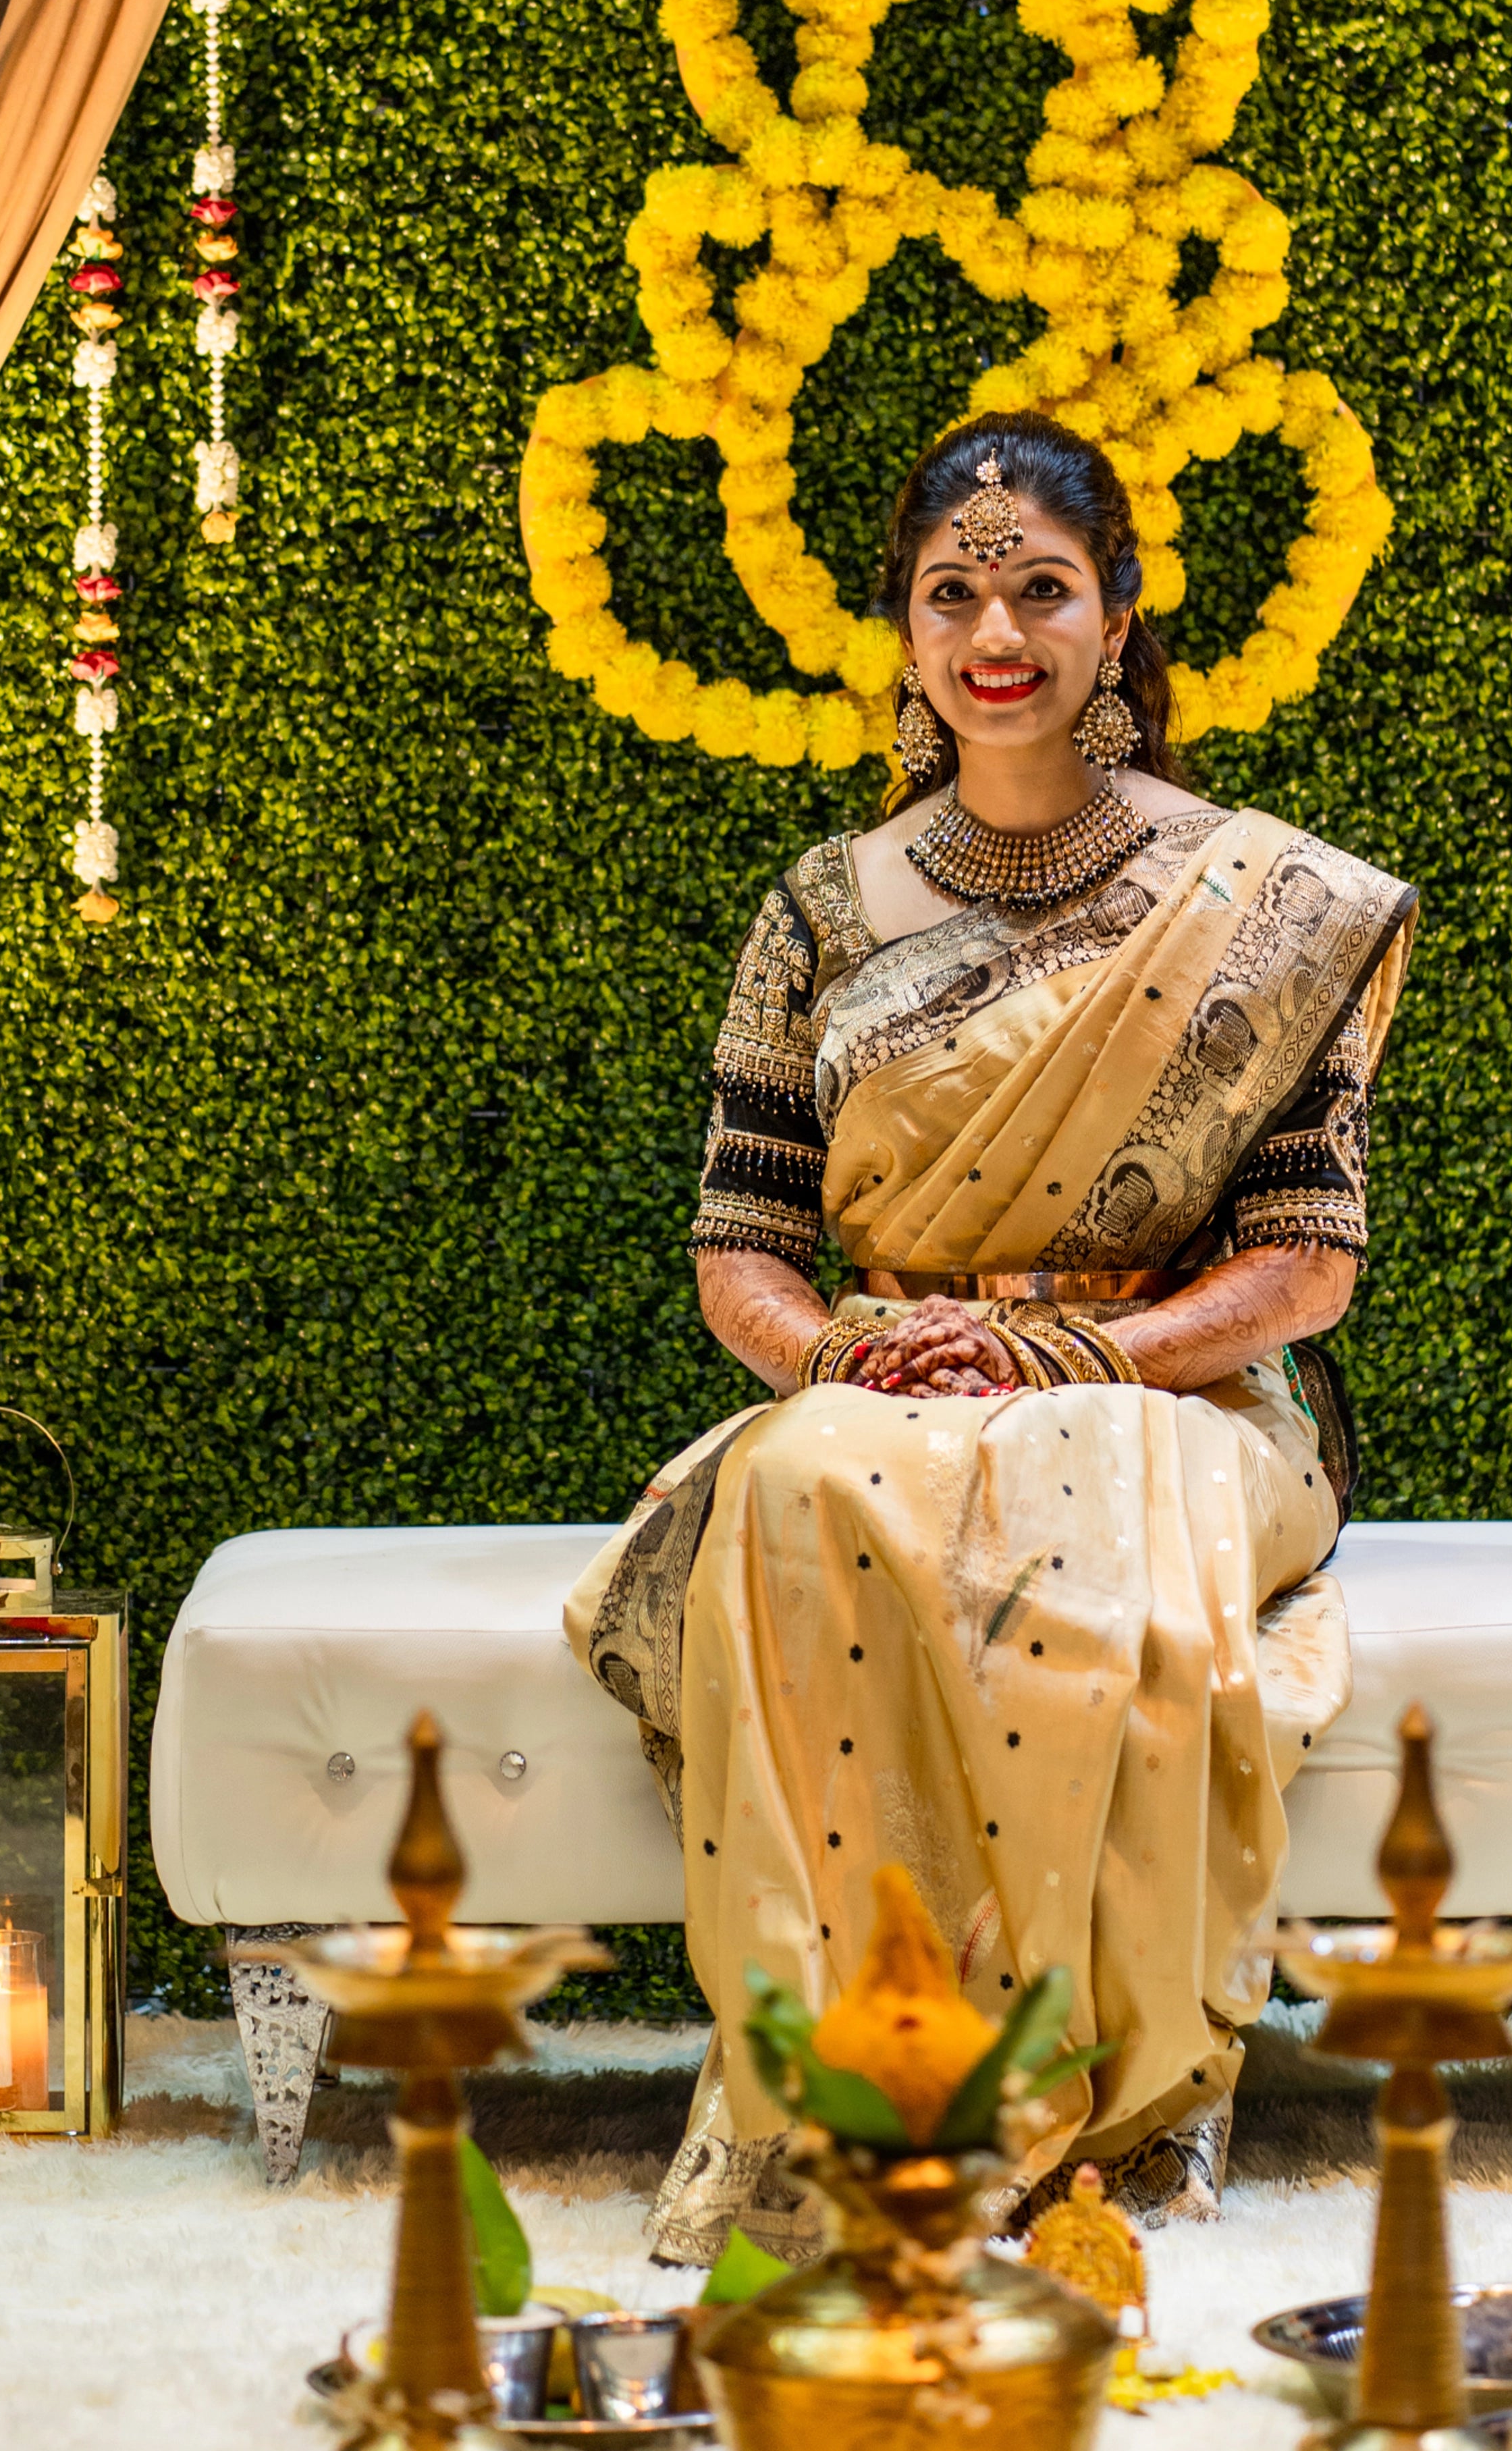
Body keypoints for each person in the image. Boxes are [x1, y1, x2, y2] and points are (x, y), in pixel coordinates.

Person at [566, 416, 1415, 2261]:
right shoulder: (821, 910)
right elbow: (741, 1250)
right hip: (887, 1385)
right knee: (799, 1489)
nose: (997, 632)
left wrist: (1078, 1360)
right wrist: (836, 1362)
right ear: (905, 629)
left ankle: (1092, 2101)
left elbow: (1306, 1264)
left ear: (1118, 614)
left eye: (1041, 587)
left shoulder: (1260, 905)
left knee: (1081, 1497)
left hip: (1174, 1388)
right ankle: (852, 2098)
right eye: (954, 593)